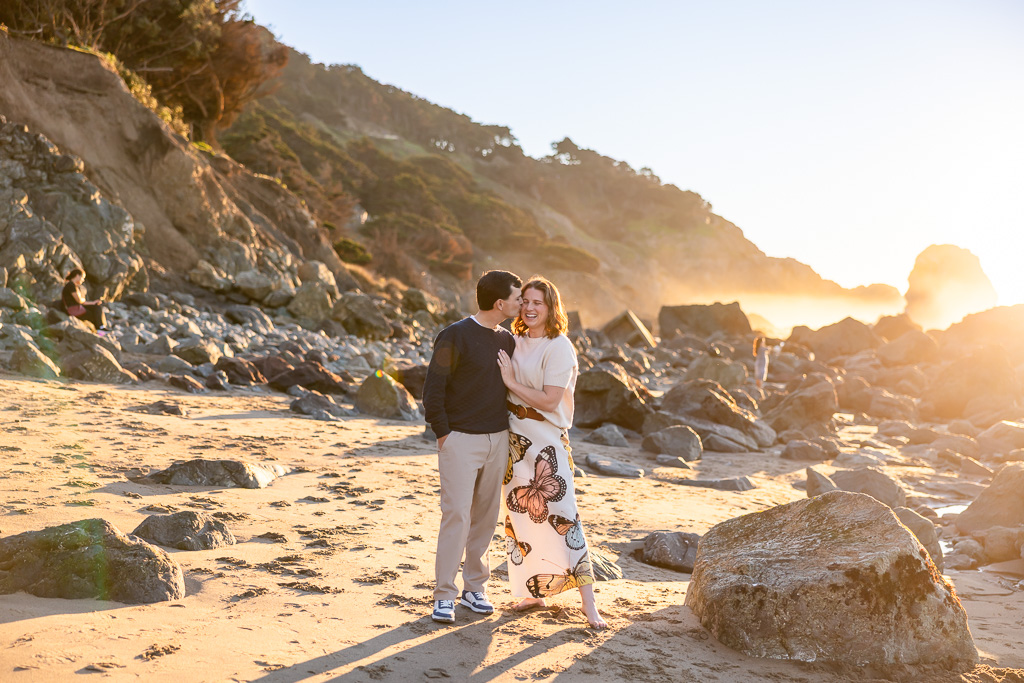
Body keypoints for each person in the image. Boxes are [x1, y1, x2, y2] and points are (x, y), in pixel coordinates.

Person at [497, 275, 607, 629]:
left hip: (547, 445)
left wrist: (511, 383)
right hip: (515, 444)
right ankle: (534, 592)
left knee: (564, 518)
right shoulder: (514, 341)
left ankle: (590, 606)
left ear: (550, 308)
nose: (529, 307)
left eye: (537, 303)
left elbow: (548, 400)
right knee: (521, 518)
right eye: (525, 301)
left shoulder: (559, 346)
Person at [422, 270, 522, 624]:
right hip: (460, 441)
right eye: (517, 298)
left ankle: (474, 589)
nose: (521, 303)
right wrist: (444, 434)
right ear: (500, 303)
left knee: (484, 519)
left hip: (498, 439)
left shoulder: (508, 339)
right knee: (457, 516)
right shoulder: (454, 335)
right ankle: (444, 595)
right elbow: (432, 390)